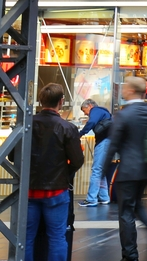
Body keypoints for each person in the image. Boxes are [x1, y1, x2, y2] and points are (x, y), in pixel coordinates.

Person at [106, 77, 147, 260]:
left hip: (128, 170)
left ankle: (130, 254)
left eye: (124, 88)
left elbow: (113, 143)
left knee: (125, 212)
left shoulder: (123, 114)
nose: (122, 91)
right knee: (136, 204)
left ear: (131, 91)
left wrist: (102, 169)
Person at [24, 83, 84, 261]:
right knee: (57, 237)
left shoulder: (27, 124)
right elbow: (78, 160)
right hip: (57, 191)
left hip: (29, 190)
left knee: (26, 238)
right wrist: (65, 173)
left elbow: (13, 157)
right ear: (61, 101)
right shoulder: (67, 127)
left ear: (40, 100)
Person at [78, 98, 112, 207]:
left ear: (89, 106)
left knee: (96, 170)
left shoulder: (96, 110)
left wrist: (81, 133)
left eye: (84, 111)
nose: (86, 114)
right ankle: (104, 197)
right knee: (100, 170)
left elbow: (91, 122)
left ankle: (91, 199)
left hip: (103, 142)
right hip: (107, 142)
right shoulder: (104, 112)